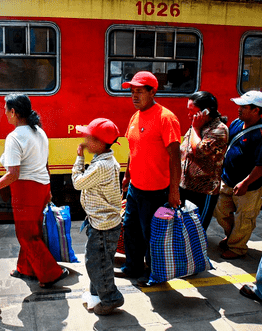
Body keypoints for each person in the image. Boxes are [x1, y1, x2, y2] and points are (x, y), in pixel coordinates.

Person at [0, 93, 68, 288]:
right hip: (41, 187)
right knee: (32, 231)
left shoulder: (15, 137)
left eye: (6, 110)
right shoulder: (39, 132)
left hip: (26, 190)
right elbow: (45, 163)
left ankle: (52, 273)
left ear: (14, 112)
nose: (5, 114)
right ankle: (25, 268)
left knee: (26, 235)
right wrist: (49, 189)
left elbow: (12, 175)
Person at [117, 71, 182, 287]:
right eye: (132, 92)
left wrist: (174, 191)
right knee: (131, 228)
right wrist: (127, 175)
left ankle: (154, 273)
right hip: (136, 187)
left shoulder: (166, 118)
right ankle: (132, 266)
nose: (134, 96)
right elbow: (132, 149)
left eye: (139, 91)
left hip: (156, 190)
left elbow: (175, 157)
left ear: (153, 91)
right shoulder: (135, 116)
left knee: (152, 235)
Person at [72, 118, 124, 315]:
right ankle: (96, 294)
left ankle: (111, 298)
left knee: (95, 262)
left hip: (103, 226)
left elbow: (78, 183)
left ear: (101, 143)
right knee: (101, 261)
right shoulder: (105, 160)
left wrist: (79, 158)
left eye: (89, 137)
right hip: (102, 222)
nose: (85, 140)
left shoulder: (101, 166)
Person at [213, 91, 262, 259]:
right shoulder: (236, 124)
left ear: (257, 111)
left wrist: (246, 183)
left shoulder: (260, 133)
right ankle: (232, 236)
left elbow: (260, 165)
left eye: (244, 107)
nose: (239, 109)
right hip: (227, 179)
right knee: (220, 210)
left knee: (244, 218)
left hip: (249, 185)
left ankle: (237, 247)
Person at [179, 91, 229, 230]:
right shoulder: (199, 125)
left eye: (192, 111)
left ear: (206, 112)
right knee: (183, 228)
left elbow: (199, 151)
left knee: (197, 231)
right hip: (185, 186)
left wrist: (195, 128)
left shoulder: (218, 130)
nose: (189, 115)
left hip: (203, 191)